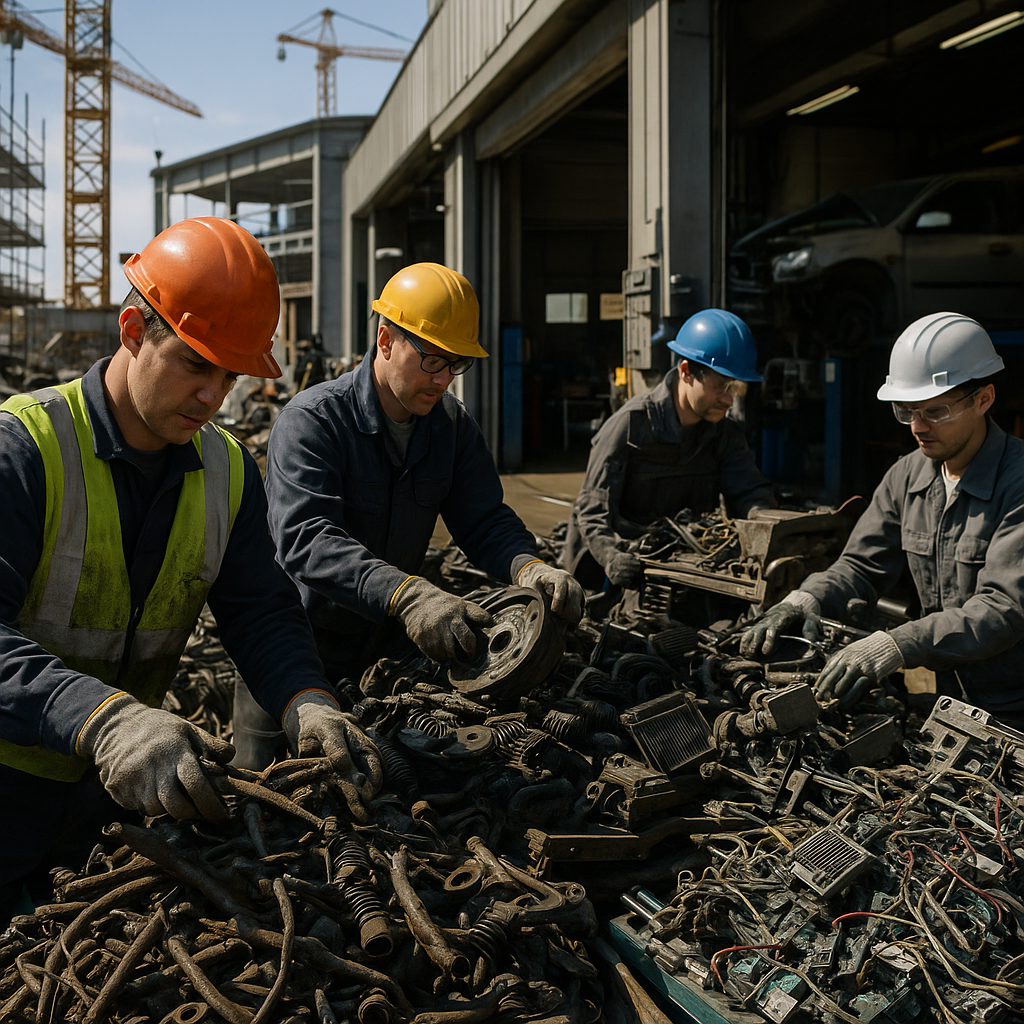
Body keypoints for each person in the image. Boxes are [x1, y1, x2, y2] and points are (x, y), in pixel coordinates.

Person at [0, 217, 375, 928]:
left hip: (112, 803)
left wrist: (306, 698)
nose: (214, 398)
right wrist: (104, 719)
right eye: (196, 364)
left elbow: (259, 610)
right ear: (134, 330)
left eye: (230, 375)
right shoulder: (26, 448)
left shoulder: (227, 469)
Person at [233, 262, 584, 765]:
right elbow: (306, 538)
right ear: (384, 340)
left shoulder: (451, 427)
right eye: (430, 361)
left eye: (455, 365)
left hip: (382, 653)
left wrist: (529, 567)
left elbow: (483, 518)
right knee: (267, 798)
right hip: (294, 654)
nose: (443, 380)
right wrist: (407, 593)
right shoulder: (313, 421)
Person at [740, 311, 1024, 722]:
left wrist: (895, 646)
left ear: (983, 399)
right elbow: (860, 566)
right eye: (907, 411)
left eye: (935, 411)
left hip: (1013, 704)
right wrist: (807, 597)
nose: (917, 427)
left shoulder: (1016, 482)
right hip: (952, 702)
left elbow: (1003, 609)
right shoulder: (907, 476)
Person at [561, 308, 774, 590]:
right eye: (721, 385)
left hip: (676, 563)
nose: (728, 399)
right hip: (604, 572)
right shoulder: (629, 426)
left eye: (734, 387)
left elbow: (747, 491)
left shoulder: (724, 432)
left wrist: (766, 519)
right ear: (686, 372)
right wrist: (612, 557)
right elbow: (592, 510)